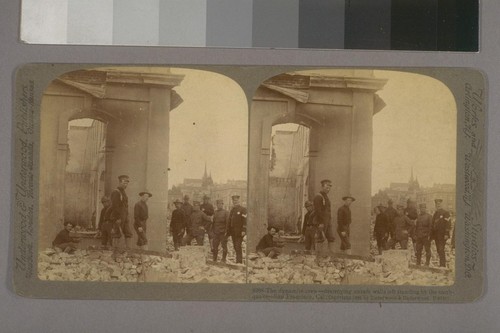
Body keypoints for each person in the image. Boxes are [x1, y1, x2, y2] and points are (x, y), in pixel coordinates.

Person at [108, 175, 133, 249]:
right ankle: (115, 253)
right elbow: (115, 206)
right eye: (124, 183)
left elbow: (125, 206)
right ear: (120, 182)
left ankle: (128, 252)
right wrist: (118, 218)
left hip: (124, 217)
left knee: (128, 233)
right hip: (118, 218)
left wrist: (126, 217)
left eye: (127, 183)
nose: (126, 185)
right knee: (117, 234)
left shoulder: (123, 192)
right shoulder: (116, 192)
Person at [313, 179, 335, 251]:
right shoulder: (318, 197)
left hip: (327, 221)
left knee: (331, 238)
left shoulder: (326, 197)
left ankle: (331, 257)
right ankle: (318, 258)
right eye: (327, 186)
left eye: (330, 186)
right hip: (321, 222)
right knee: (320, 239)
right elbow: (318, 211)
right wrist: (321, 222)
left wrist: (328, 221)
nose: (329, 188)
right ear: (322, 186)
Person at [227, 195, 247, 264]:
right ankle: (238, 260)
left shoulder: (243, 209)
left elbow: (245, 220)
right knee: (235, 246)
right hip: (233, 232)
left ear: (239, 201)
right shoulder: (232, 210)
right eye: (233, 201)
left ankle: (239, 261)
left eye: (236, 200)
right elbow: (230, 221)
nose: (235, 202)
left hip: (239, 232)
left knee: (238, 246)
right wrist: (228, 231)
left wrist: (244, 230)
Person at [431, 199, 451, 267]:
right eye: (436, 204)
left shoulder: (445, 213)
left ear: (441, 204)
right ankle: (441, 264)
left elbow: (448, 223)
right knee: (438, 250)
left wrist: (446, 233)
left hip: (442, 235)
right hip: (436, 235)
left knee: (441, 249)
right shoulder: (435, 213)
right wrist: (432, 235)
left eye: (439, 203)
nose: (438, 205)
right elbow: (433, 224)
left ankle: (443, 265)